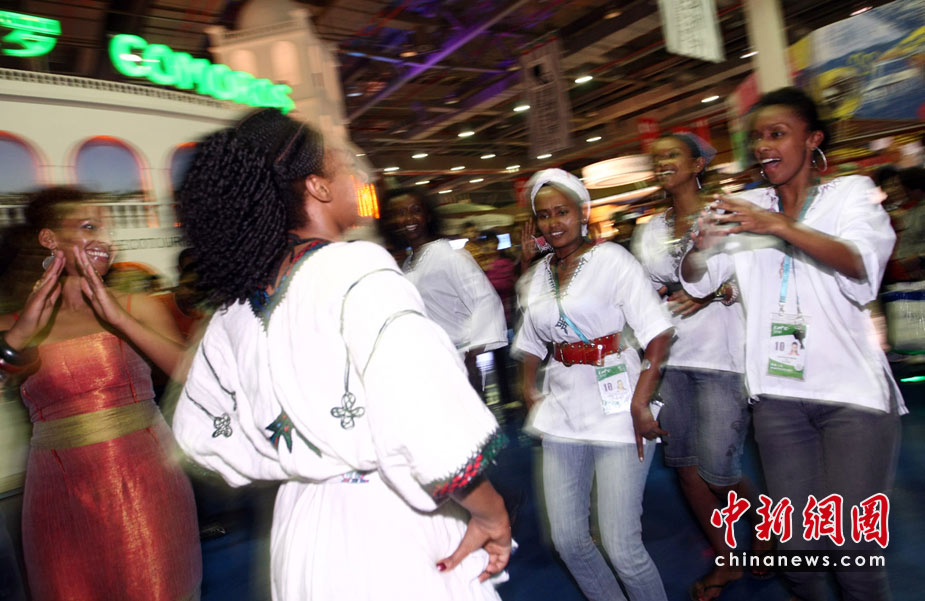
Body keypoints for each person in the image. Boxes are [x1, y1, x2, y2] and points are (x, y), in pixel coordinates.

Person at [171, 109, 511, 601]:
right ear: (318, 187)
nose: (357, 174)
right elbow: (426, 419)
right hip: (388, 525)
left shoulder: (233, 311)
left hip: (303, 527)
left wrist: (300, 457)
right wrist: (491, 511)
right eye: (344, 163)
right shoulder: (356, 269)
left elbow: (200, 430)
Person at [681, 87, 905, 601]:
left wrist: (779, 225)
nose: (763, 145)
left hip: (853, 398)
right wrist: (699, 249)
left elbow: (861, 265)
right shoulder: (745, 206)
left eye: (777, 133)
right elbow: (696, 280)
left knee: (852, 554)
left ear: (812, 140)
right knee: (797, 555)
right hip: (779, 399)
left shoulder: (850, 193)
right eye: (757, 137)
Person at [0, 187, 201, 601]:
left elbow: (192, 374)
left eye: (107, 230)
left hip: (145, 480)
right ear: (49, 239)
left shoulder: (137, 306)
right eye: (89, 227)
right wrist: (19, 335)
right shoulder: (12, 325)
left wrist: (120, 320)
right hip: (56, 494)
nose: (105, 240)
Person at [514, 168, 673, 601]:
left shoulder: (613, 260)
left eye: (562, 211)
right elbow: (530, 341)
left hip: (618, 405)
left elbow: (657, 332)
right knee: (568, 540)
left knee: (623, 548)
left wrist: (641, 401)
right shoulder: (537, 275)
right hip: (562, 410)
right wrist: (528, 388)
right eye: (544, 215)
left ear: (583, 211)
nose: (553, 223)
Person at [632, 133, 768, 600]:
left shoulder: (725, 214)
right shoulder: (650, 230)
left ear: (697, 164)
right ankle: (728, 561)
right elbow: (641, 290)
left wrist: (717, 292)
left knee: (718, 472)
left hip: (721, 359)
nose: (661, 163)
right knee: (687, 468)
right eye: (656, 158)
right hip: (671, 360)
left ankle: (768, 524)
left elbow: (756, 277)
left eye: (671, 154)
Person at [379, 188, 508, 393]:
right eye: (400, 213)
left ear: (428, 215)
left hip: (456, 363)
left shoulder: (451, 257)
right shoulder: (408, 264)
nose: (409, 218)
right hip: (427, 366)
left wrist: (472, 356)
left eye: (415, 210)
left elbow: (485, 301)